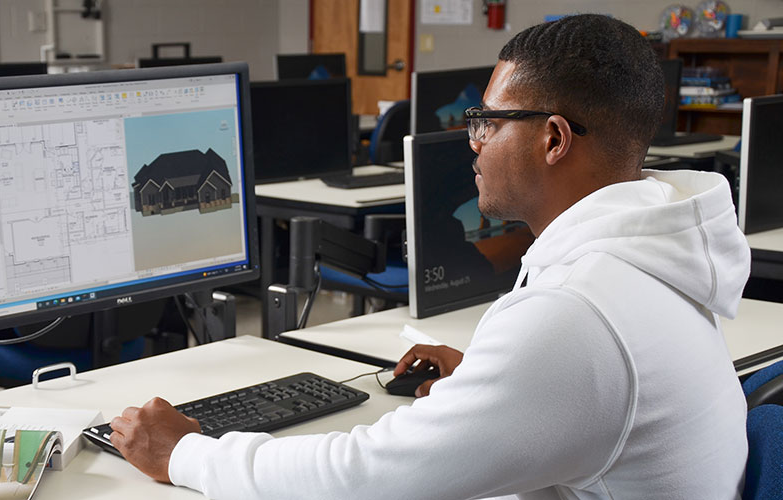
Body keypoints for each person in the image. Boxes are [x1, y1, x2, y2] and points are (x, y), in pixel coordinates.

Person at [108, 14, 751, 499]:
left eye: (488, 123)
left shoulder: (574, 316)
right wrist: (492, 383)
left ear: (553, 139)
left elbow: (364, 480)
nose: (472, 143)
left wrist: (186, 453)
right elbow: (592, 384)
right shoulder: (650, 255)